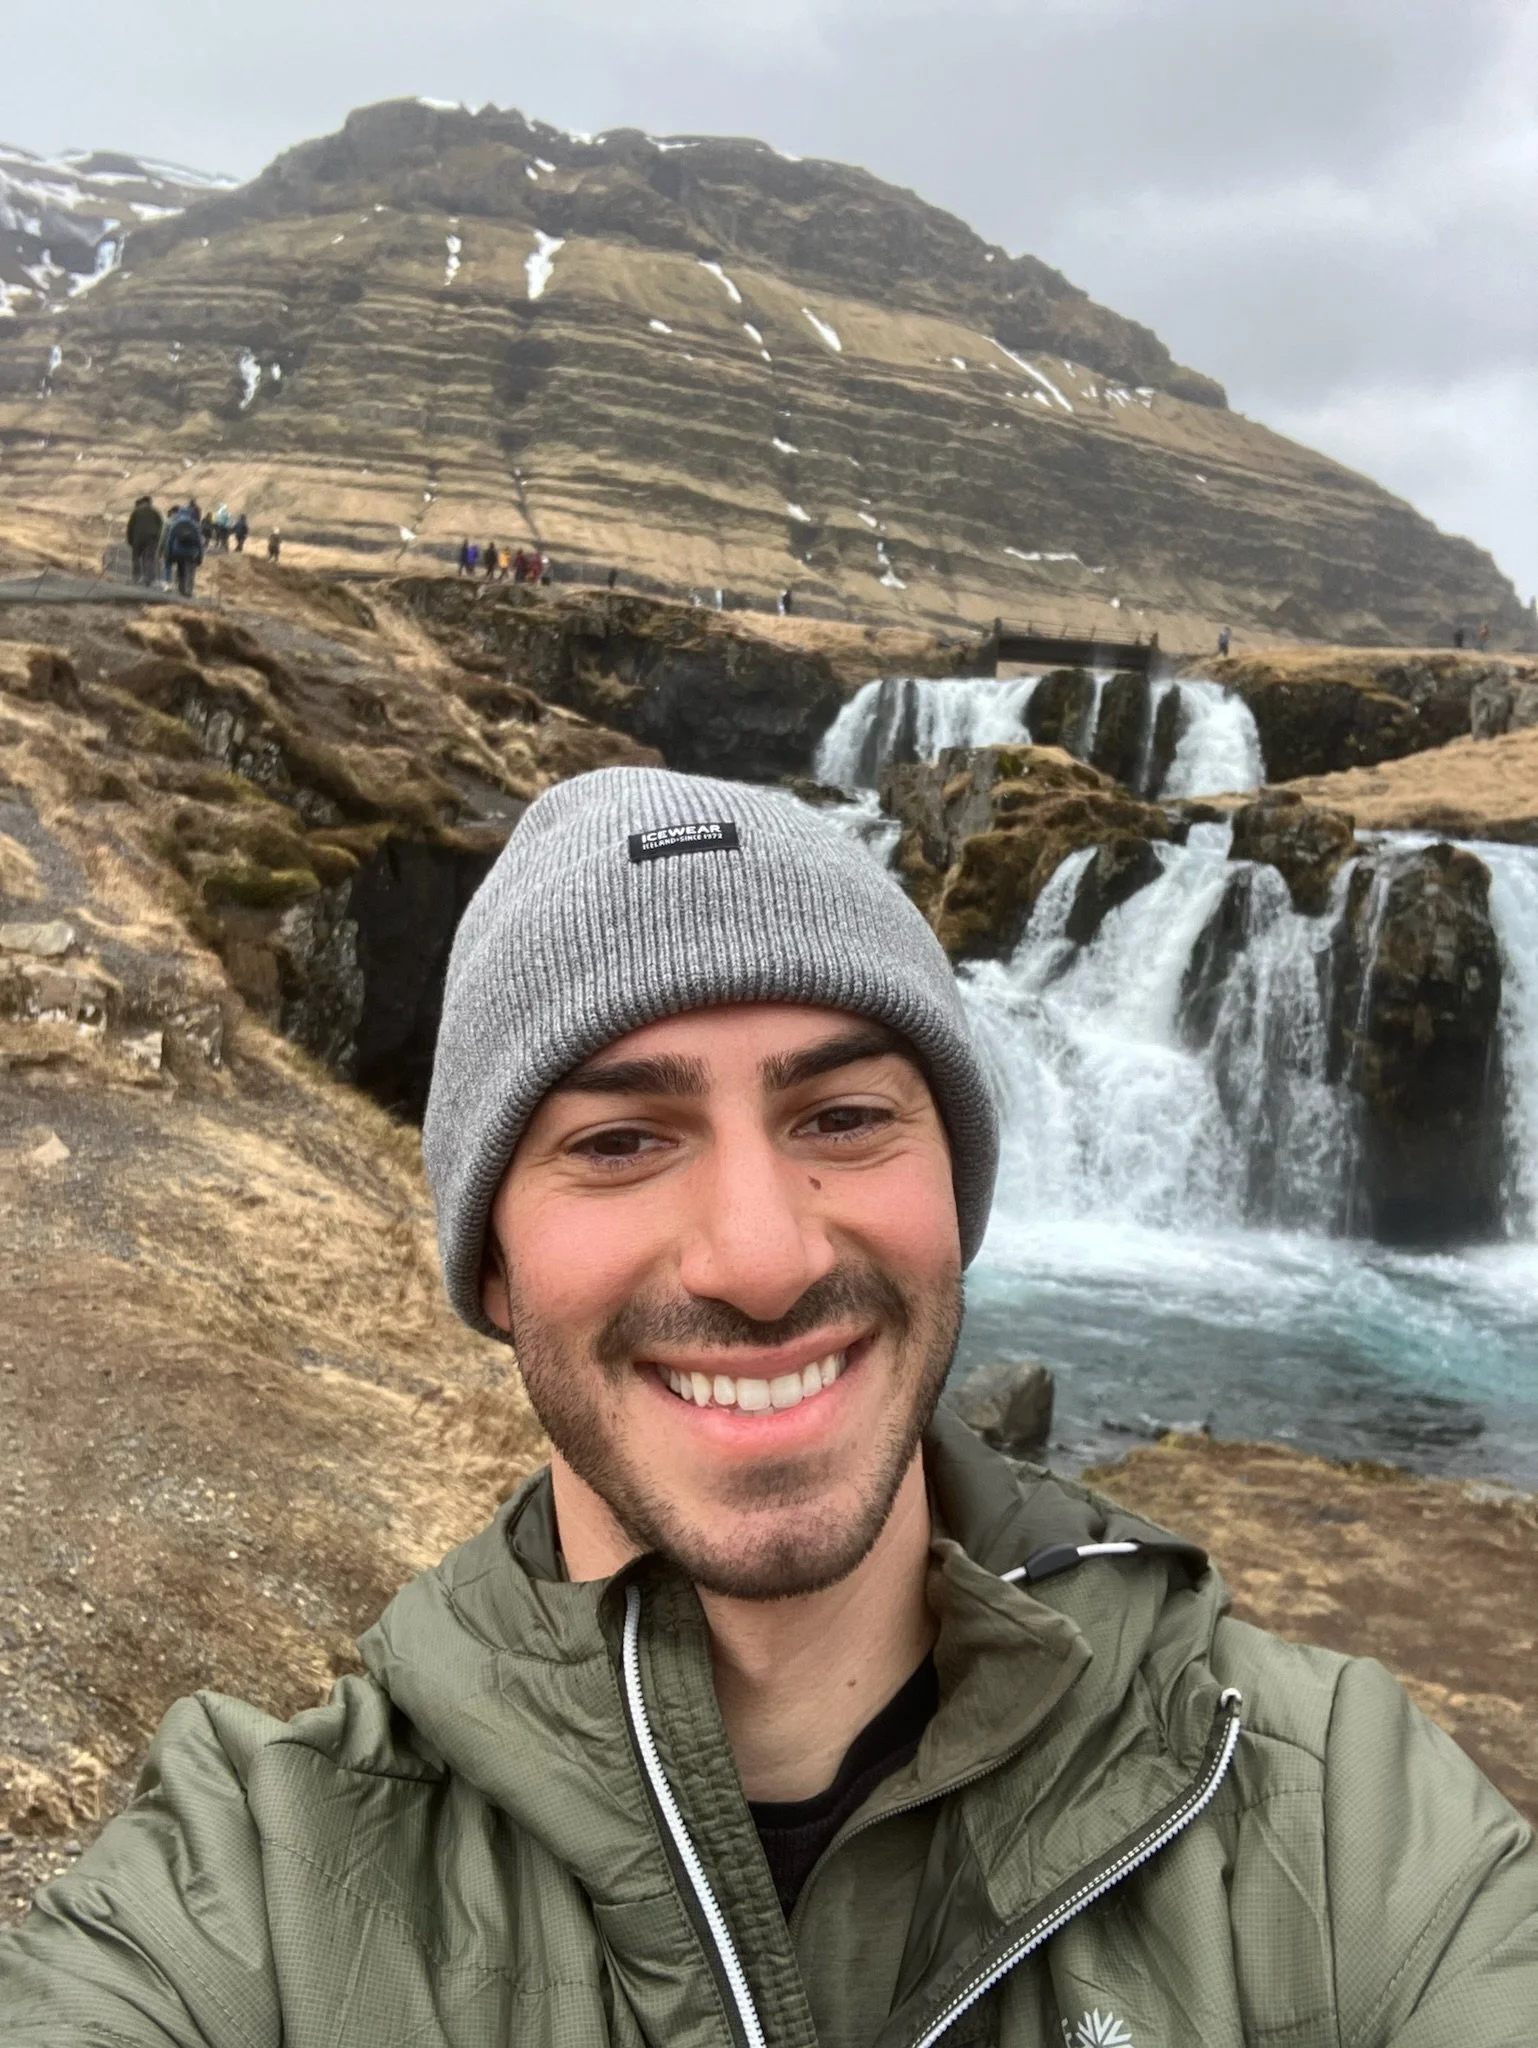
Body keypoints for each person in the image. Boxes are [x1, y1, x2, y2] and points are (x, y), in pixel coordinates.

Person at [2, 765, 1535, 2041]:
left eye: (847, 1116)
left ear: (957, 1194)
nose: (759, 1255)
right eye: (618, 1140)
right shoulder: (248, 1899)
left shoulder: (1340, 1823)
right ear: (489, 1269)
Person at [162, 501, 205, 599]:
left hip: (177, 552)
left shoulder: (175, 524)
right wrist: (200, 557)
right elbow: (199, 543)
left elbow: (169, 540)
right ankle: (188, 590)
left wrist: (168, 554)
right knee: (190, 571)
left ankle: (181, 589)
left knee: (180, 570)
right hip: (191, 553)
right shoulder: (195, 525)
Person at [124, 495, 163, 587]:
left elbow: (130, 527)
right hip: (151, 539)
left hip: (137, 538)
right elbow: (160, 527)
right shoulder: (155, 512)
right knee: (149, 558)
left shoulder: (136, 512)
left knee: (136, 558)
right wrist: (157, 540)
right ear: (149, 502)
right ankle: (148, 579)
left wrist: (130, 540)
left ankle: (136, 577)